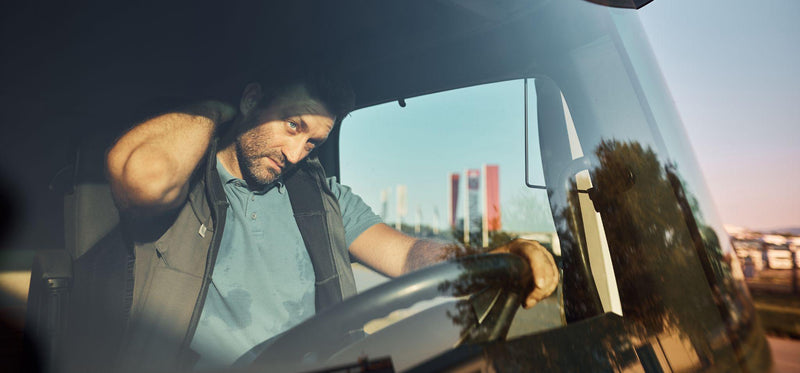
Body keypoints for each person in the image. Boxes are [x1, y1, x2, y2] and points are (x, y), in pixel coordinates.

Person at [102, 70, 558, 370]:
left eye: (313, 143)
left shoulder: (321, 198)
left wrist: (490, 258)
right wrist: (218, 113)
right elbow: (144, 180)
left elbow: (407, 254)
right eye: (293, 126)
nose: (295, 154)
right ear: (252, 100)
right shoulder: (186, 188)